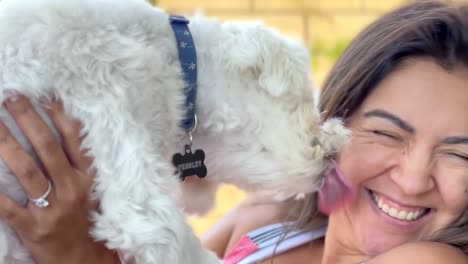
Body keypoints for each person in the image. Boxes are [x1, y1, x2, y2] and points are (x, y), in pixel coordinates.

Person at [0, 0, 467, 263]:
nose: (411, 179)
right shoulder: (271, 220)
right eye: (387, 134)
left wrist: (77, 254)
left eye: (459, 155)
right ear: (338, 116)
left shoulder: (431, 261)